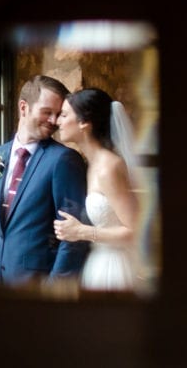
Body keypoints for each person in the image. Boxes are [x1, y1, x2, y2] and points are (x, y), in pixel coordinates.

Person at [0, 75, 89, 289]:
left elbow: (74, 236)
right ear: (24, 107)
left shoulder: (64, 160)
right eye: (47, 112)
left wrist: (54, 288)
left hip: (36, 287)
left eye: (58, 115)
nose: (53, 121)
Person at [53, 87, 142, 292]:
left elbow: (135, 230)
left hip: (114, 267)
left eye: (64, 115)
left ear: (84, 122)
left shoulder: (108, 168)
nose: (58, 121)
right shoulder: (93, 164)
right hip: (98, 262)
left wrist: (82, 232)